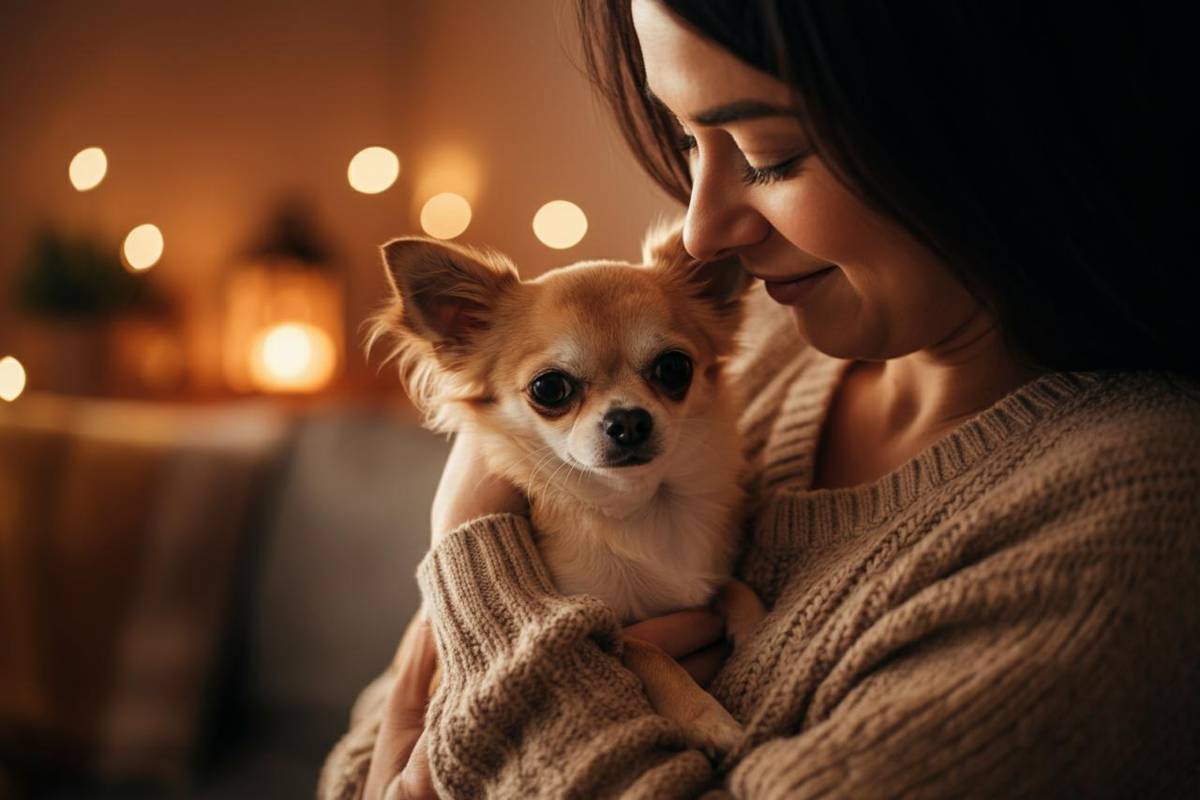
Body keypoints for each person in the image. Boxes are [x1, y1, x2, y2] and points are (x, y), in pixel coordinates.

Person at [319, 2, 1199, 797]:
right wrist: (415, 716)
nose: (704, 228)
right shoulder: (769, 350)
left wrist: (471, 553)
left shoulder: (1131, 516)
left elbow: (417, 761)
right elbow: (360, 771)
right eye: (686, 142)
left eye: (770, 155)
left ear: (988, 124)